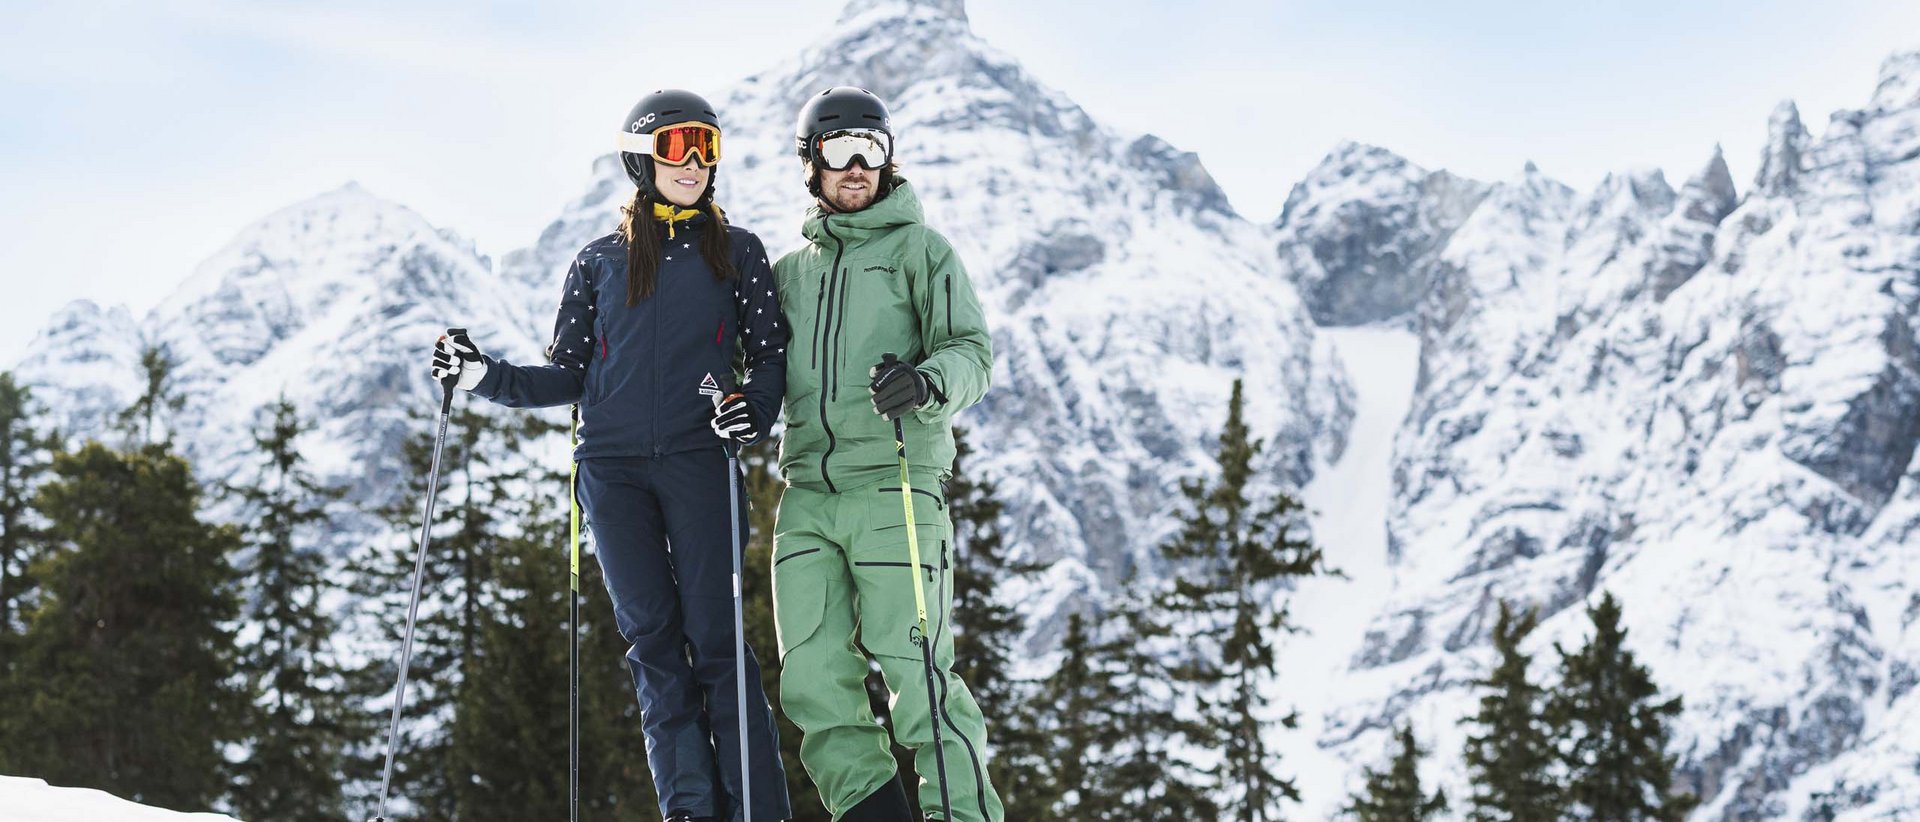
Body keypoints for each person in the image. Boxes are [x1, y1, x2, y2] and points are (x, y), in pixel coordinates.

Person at [429, 89, 791, 822]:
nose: (692, 163)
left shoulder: (739, 251)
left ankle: (756, 811)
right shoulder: (597, 262)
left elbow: (772, 355)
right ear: (641, 157)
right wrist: (480, 375)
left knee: (716, 641)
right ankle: (691, 811)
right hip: (611, 472)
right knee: (654, 645)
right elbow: (565, 376)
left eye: (707, 147)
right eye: (675, 147)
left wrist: (749, 414)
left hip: (699, 461)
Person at [768, 86, 1003, 822]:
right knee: (812, 678)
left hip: (896, 485)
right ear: (811, 165)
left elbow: (973, 352)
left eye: (872, 148)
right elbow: (752, 369)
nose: (858, 165)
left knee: (919, 676)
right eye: (839, 151)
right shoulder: (788, 274)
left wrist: (926, 382)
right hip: (806, 492)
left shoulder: (921, 251)